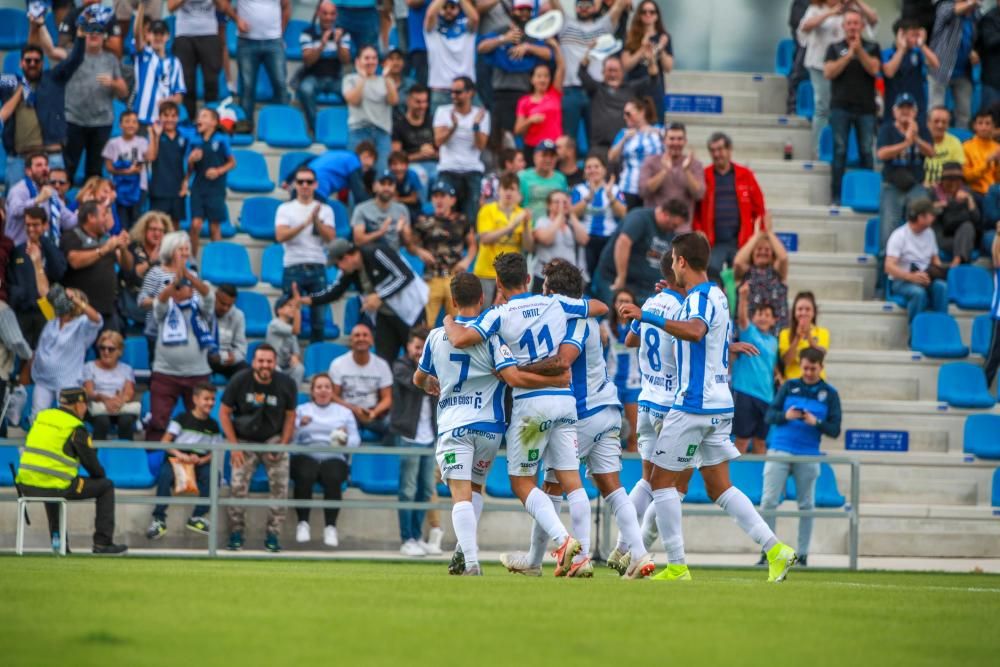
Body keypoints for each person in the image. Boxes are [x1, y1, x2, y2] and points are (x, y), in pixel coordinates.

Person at [620, 231, 798, 583]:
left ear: (682, 262)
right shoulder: (715, 293)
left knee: (659, 482)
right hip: (720, 404)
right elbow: (702, 334)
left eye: (673, 259)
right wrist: (670, 299)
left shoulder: (700, 300)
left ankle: (677, 564)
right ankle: (776, 550)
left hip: (693, 404)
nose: (671, 264)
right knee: (720, 487)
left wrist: (648, 315)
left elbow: (696, 332)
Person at [444, 252, 609, 577]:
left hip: (531, 406)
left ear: (500, 285)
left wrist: (448, 321)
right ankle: (582, 558)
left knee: (521, 482)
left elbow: (461, 338)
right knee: (571, 483)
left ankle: (564, 544)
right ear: (529, 279)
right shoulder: (555, 304)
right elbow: (601, 308)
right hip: (564, 400)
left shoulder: (499, 314)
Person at [501, 260, 654, 579]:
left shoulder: (571, 321)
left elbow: (563, 362)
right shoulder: (587, 317)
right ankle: (638, 555)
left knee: (554, 487)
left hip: (581, 414)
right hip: (607, 408)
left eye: (544, 290)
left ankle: (568, 557)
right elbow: (597, 307)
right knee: (612, 488)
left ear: (552, 292)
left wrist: (515, 371)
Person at [606, 253, 686, 576]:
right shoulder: (684, 310)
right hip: (671, 405)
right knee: (669, 486)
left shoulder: (651, 303)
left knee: (648, 480)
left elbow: (629, 338)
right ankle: (675, 560)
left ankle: (623, 546)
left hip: (646, 400)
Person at [15, 387, 127, 554]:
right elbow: (93, 468)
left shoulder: (42, 417)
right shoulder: (74, 426)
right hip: (55, 485)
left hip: (26, 484)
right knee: (105, 486)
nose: (86, 408)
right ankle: (103, 543)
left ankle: (58, 543)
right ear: (79, 404)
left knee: (50, 482)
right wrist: (99, 473)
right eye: (85, 404)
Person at [762, 347, 842, 568]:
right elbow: (770, 415)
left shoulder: (830, 394)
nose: (808, 373)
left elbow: (835, 430)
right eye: (805, 368)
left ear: (821, 367)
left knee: (806, 505)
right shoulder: (789, 386)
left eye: (813, 369)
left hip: (808, 453)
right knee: (768, 501)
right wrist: (785, 416)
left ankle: (803, 554)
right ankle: (767, 550)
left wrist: (815, 422)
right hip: (780, 448)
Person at [222, 344, 298, 552]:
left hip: (273, 438)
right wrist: (234, 446)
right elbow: (224, 413)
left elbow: (291, 416)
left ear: (275, 363)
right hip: (244, 440)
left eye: (269, 361)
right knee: (237, 486)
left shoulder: (287, 383)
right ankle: (236, 533)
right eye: (261, 361)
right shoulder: (240, 380)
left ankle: (273, 535)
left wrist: (283, 445)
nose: (265, 365)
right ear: (254, 362)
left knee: (280, 487)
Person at [305, 239, 428, 361]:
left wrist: (380, 296)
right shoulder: (351, 271)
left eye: (337, 265)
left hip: (411, 313)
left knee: (416, 357)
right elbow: (336, 290)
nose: (339, 269)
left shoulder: (376, 252)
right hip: (384, 316)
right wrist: (310, 300)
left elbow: (404, 275)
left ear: (346, 257)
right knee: (384, 360)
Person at [146, 259, 216, 442]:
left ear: (192, 289)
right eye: (174, 288)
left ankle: (196, 458)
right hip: (165, 373)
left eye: (183, 287)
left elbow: (208, 296)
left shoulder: (201, 308)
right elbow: (160, 300)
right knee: (158, 421)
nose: (178, 290)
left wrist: (190, 278)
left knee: (199, 419)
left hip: (197, 373)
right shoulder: (164, 308)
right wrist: (174, 285)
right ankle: (155, 462)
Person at [1, 40, 84, 188]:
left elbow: (75, 59)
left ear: (42, 63)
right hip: (19, 158)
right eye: (28, 60)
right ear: (21, 63)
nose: (32, 63)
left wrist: (81, 37)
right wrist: (20, 89)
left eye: (37, 61)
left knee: (53, 202)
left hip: (51, 156)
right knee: (14, 205)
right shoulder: (10, 82)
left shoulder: (52, 79)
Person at [291, 372, 360, 547]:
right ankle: (303, 523)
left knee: (333, 475)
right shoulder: (302, 410)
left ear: (332, 391)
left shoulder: (344, 412)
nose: (323, 391)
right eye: (319, 387)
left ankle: (330, 526)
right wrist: (300, 427)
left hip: (334, 455)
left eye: (327, 387)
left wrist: (344, 439)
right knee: (305, 473)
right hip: (306, 454)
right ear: (312, 391)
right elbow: (291, 440)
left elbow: (355, 441)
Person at [389, 327, 441, 557]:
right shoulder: (400, 365)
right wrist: (431, 376)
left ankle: (417, 536)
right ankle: (406, 538)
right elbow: (416, 383)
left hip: (429, 437)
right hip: (409, 437)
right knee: (407, 490)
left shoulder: (434, 367)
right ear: (409, 346)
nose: (420, 352)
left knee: (426, 489)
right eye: (417, 347)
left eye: (424, 348)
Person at [146, 382, 221, 539]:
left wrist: (201, 460)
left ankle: (197, 517)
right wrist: (180, 455)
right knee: (165, 475)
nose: (210, 403)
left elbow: (214, 452)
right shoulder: (181, 418)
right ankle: (159, 519)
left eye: (213, 399)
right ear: (195, 399)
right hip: (177, 460)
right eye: (206, 399)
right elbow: (165, 443)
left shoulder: (214, 426)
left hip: (198, 463)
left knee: (215, 476)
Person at [824, 8, 880, 204]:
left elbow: (874, 69)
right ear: (843, 26)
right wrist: (848, 55)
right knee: (839, 151)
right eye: (849, 23)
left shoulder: (872, 47)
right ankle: (836, 196)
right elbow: (828, 73)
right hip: (840, 107)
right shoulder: (834, 47)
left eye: (856, 23)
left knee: (866, 151)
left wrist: (859, 51)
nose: (853, 27)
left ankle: (868, 195)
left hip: (866, 109)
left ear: (862, 26)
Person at [476, 0, 553, 144]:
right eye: (520, 9)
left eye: (527, 10)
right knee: (501, 140)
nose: (524, 13)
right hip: (500, 94)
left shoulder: (533, 34)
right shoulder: (502, 29)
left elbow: (548, 54)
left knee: (522, 138)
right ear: (512, 11)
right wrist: (504, 39)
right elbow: (481, 47)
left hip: (524, 94)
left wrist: (528, 47)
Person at [553, 0, 630, 142]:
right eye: (580, 5)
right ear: (575, 7)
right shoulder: (565, 23)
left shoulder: (604, 26)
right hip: (571, 90)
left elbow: (619, 5)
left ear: (595, 7)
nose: (583, 9)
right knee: (568, 139)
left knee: (595, 137)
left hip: (596, 91)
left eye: (587, 5)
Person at [694, 132, 767, 280]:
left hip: (740, 242)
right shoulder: (704, 175)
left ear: (729, 150)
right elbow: (695, 210)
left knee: (741, 280)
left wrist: (759, 237)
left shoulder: (745, 175)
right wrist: (698, 231)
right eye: (712, 150)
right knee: (712, 278)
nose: (716, 154)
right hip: (713, 243)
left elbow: (759, 209)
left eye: (720, 149)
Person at [276, 166, 336, 343]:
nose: (304, 185)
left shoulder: (325, 209)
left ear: (315, 184)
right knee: (288, 318)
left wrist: (316, 221)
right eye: (300, 181)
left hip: (317, 266)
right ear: (294, 184)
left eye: (309, 181)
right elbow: (280, 236)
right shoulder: (285, 208)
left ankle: (316, 363)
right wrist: (305, 223)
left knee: (318, 321)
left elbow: (330, 238)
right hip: (292, 266)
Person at [63, 22, 128, 183]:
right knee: (67, 170)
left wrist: (113, 83)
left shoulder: (111, 59)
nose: (93, 35)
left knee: (95, 172)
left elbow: (124, 91)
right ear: (83, 34)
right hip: (73, 120)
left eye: (98, 32)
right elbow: (49, 51)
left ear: (103, 37)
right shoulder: (70, 55)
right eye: (89, 31)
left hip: (101, 123)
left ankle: (91, 207)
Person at [30, 287, 103, 422]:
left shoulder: (82, 324)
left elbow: (97, 319)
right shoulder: (52, 321)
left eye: (67, 299)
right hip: (43, 379)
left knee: (66, 418)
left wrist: (75, 299)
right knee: (37, 417)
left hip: (67, 381)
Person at [409, 180, 476, 324]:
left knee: (459, 322)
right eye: (435, 196)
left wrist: (467, 261)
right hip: (432, 276)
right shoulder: (424, 221)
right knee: (425, 324)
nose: (439, 200)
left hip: (454, 276)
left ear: (452, 200)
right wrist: (421, 252)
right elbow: (410, 245)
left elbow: (472, 245)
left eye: (443, 196)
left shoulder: (462, 220)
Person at [61, 201, 133, 333]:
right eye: (104, 214)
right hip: (80, 311)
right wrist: (103, 250)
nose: (107, 218)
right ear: (91, 217)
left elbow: (127, 266)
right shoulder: (71, 236)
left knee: (110, 349)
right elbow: (74, 261)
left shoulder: (107, 238)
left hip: (107, 310)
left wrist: (123, 249)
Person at [599, 200, 684, 305]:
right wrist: (621, 277)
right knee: (615, 315)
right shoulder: (639, 218)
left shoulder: (669, 232)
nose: (673, 228)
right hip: (614, 279)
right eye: (674, 225)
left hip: (645, 286)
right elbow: (623, 242)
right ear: (665, 214)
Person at [876, 93, 934, 248]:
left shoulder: (921, 129)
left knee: (924, 223)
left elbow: (931, 152)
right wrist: (905, 143)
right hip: (892, 186)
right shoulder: (887, 129)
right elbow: (881, 153)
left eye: (909, 108)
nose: (905, 112)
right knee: (888, 232)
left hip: (915, 185)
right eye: (902, 108)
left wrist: (915, 138)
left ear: (915, 112)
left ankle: (920, 263)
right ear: (894, 111)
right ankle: (885, 270)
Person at [798, 0, 854, 155]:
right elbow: (806, 26)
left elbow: (869, 23)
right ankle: (817, 149)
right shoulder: (815, 9)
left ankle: (837, 148)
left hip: (840, 64)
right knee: (822, 107)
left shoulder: (847, 11)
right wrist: (830, 13)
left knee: (838, 108)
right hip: (818, 64)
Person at [7, 207, 68, 349]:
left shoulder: (52, 248)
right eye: (28, 225)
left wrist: (44, 243)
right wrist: (19, 295)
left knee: (45, 352)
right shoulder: (18, 251)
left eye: (36, 225)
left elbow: (59, 273)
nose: (31, 229)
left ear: (45, 225)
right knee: (24, 355)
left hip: (47, 310)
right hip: (23, 312)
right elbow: (11, 279)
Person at [579, 53, 659, 159]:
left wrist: (652, 61)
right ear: (603, 72)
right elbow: (581, 72)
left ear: (622, 72)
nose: (612, 74)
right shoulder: (596, 89)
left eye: (615, 70)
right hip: (599, 147)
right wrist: (590, 51)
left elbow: (653, 79)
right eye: (609, 70)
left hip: (626, 144)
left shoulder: (631, 88)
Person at [433, 76, 490, 225]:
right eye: (451, 92)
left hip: (472, 170)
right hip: (448, 169)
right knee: (444, 218)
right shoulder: (443, 111)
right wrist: (453, 128)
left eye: (458, 92)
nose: (453, 96)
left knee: (470, 219)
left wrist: (476, 126)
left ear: (470, 93)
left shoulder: (482, 115)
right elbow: (438, 141)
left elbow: (481, 146)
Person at [885, 197, 949, 324]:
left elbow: (934, 258)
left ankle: (941, 327)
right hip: (902, 281)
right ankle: (916, 332)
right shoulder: (899, 235)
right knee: (918, 293)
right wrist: (910, 277)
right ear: (921, 217)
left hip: (925, 277)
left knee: (942, 287)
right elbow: (888, 266)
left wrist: (938, 272)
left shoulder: (930, 233)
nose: (934, 218)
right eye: (931, 215)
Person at [228, 0, 291, 127]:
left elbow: (286, 7)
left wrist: (280, 33)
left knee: (280, 85)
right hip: (246, 42)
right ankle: (245, 127)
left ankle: (282, 126)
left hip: (274, 42)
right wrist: (236, 19)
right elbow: (224, 3)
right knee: (247, 88)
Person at [733, 282, 779, 455]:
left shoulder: (775, 342)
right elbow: (742, 319)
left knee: (761, 444)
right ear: (753, 317)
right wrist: (743, 297)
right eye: (759, 314)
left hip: (767, 398)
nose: (763, 317)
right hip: (746, 393)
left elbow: (770, 366)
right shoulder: (749, 332)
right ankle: (734, 481)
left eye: (767, 315)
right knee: (742, 442)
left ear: (774, 320)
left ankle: (763, 482)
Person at [474, 172, 533, 306]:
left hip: (511, 276)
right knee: (484, 314)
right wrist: (512, 226)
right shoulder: (487, 210)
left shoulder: (522, 214)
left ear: (518, 192)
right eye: (505, 188)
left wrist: (525, 226)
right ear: (499, 190)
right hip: (486, 272)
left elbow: (528, 247)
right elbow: (485, 238)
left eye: (512, 189)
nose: (508, 192)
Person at [139, 231, 196, 362]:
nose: (185, 253)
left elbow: (198, 302)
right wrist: (164, 300)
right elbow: (141, 301)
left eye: (187, 249)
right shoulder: (156, 272)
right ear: (170, 251)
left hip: (186, 332)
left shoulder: (192, 275)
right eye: (180, 249)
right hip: (157, 332)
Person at [297, 1, 352, 134]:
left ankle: (348, 128)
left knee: (354, 92)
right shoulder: (307, 33)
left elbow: (346, 61)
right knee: (305, 89)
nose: (328, 17)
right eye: (325, 13)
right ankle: (316, 129)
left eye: (332, 14)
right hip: (314, 77)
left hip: (336, 79)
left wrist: (338, 43)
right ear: (318, 13)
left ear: (336, 15)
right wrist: (322, 44)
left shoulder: (343, 33)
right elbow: (308, 61)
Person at [328, 323, 393, 436]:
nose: (361, 338)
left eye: (365, 335)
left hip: (372, 413)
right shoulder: (338, 364)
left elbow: (387, 398)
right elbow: (333, 396)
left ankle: (387, 454)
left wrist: (374, 412)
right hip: (346, 412)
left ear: (371, 341)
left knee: (394, 425)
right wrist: (354, 410)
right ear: (350, 341)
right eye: (357, 335)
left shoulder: (381, 365)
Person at [343, 46, 398, 174]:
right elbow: (354, 100)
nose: (370, 61)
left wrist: (386, 79)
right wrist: (362, 79)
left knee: (382, 172)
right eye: (366, 58)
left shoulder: (386, 80)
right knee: (356, 174)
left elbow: (393, 101)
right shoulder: (350, 79)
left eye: (374, 58)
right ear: (358, 61)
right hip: (358, 132)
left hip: (382, 133)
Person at [187, 108, 235, 253]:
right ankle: (193, 261)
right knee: (195, 225)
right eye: (199, 116)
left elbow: (232, 162)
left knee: (215, 227)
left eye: (204, 116)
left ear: (214, 122)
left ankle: (217, 258)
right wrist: (191, 160)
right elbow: (189, 170)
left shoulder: (221, 140)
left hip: (216, 189)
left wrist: (218, 171)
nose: (199, 119)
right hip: (198, 187)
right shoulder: (194, 141)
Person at [638, 121, 704, 227]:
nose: (676, 143)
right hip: (654, 229)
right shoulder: (650, 161)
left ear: (685, 141)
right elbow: (643, 192)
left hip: (682, 229)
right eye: (672, 139)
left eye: (679, 139)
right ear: (664, 141)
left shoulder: (695, 164)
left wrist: (687, 171)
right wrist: (664, 171)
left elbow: (699, 194)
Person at [5, 153, 77, 248]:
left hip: (46, 247)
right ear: (28, 171)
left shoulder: (50, 192)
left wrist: (84, 207)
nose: (45, 169)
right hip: (20, 247)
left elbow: (68, 222)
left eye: (46, 165)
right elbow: (15, 210)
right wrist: (37, 200)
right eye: (39, 165)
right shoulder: (19, 190)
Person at [572, 154, 626, 277]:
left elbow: (623, 213)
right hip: (587, 240)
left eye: (596, 166)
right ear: (584, 171)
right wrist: (588, 198)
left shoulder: (615, 189)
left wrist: (610, 196)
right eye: (589, 167)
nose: (593, 170)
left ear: (604, 170)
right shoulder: (579, 189)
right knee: (586, 275)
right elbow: (572, 213)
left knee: (606, 275)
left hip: (609, 239)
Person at [928, 0, 979, 131]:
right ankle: (934, 146)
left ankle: (961, 145)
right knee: (936, 112)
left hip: (963, 72)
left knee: (964, 114)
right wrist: (971, 3)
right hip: (940, 69)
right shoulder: (945, 6)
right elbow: (952, 11)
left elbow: (975, 39)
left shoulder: (976, 15)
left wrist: (974, 52)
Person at [132, 7, 186, 128]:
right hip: (141, 119)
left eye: (161, 33)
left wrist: (168, 101)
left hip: (163, 122)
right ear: (148, 35)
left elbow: (179, 96)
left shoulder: (175, 63)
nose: (158, 37)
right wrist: (141, 6)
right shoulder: (144, 54)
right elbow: (136, 34)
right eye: (154, 33)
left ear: (168, 36)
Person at [733, 218, 790, 331]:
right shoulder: (745, 272)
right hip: (748, 333)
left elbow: (783, 258)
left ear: (772, 254)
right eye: (758, 249)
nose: (763, 252)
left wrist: (769, 233)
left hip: (775, 332)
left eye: (767, 250)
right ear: (752, 253)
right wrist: (756, 236)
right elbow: (738, 262)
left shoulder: (777, 272)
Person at [170, 0, 223, 121]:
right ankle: (188, 121)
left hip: (209, 32)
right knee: (187, 84)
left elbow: (222, 7)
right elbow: (171, 6)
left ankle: (211, 122)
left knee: (211, 83)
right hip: (184, 33)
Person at [602, 288, 640, 453]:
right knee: (609, 436)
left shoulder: (639, 325)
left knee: (634, 436)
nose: (623, 305)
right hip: (612, 385)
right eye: (620, 301)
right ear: (614, 304)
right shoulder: (604, 326)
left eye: (627, 301)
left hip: (633, 384)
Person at [83, 330, 139, 442]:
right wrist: (103, 398)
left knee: (126, 421)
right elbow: (89, 391)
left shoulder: (126, 369)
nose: (106, 352)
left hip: (120, 406)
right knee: (102, 421)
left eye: (111, 349)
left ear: (119, 351)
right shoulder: (89, 367)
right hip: (97, 406)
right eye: (102, 348)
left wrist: (120, 401)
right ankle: (95, 455)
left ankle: (126, 455)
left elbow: (129, 392)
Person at [608, 97, 663, 210]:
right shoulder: (624, 133)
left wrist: (653, 131)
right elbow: (611, 157)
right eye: (624, 114)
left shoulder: (659, 131)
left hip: (653, 186)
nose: (625, 117)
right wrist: (624, 139)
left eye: (628, 113)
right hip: (629, 187)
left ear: (641, 112)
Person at [882, 18, 939, 126]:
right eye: (914, 35)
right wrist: (901, 49)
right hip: (893, 105)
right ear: (901, 35)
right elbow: (889, 72)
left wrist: (922, 45)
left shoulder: (918, 52)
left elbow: (936, 64)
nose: (917, 39)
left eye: (918, 35)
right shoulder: (888, 53)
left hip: (917, 105)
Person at [621, 0, 673, 118]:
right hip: (634, 87)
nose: (648, 15)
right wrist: (641, 50)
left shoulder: (664, 37)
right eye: (644, 12)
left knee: (656, 123)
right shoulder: (630, 36)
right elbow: (625, 65)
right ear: (639, 15)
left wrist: (661, 48)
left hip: (654, 87)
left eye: (652, 12)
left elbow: (668, 67)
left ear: (657, 16)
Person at [102, 111, 153, 231]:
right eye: (127, 121)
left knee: (136, 220)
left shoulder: (142, 141)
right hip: (119, 188)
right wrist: (126, 172)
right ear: (120, 124)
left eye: (134, 122)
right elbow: (109, 167)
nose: (131, 125)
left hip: (139, 187)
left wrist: (153, 135)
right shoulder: (113, 143)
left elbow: (151, 157)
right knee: (121, 220)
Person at [424, 0, 479, 110]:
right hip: (440, 90)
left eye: (452, 7)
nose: (448, 10)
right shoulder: (433, 30)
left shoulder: (467, 27)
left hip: (466, 90)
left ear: (459, 9)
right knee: (439, 127)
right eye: (445, 7)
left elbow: (475, 18)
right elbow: (430, 15)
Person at [122, 212, 173, 329]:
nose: (157, 233)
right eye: (153, 229)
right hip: (134, 298)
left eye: (161, 230)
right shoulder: (134, 247)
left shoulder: (168, 252)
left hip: (160, 299)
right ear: (144, 230)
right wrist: (150, 262)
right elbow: (131, 276)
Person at [531, 191, 589, 292]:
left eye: (565, 202)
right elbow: (546, 239)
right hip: (545, 277)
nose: (562, 205)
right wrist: (560, 216)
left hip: (568, 279)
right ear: (549, 205)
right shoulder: (543, 221)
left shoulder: (572, 223)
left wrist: (571, 215)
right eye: (557, 202)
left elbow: (584, 240)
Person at [514, 49, 565, 161]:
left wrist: (555, 46)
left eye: (546, 76)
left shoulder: (554, 93)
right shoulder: (524, 101)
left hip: (553, 147)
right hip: (533, 148)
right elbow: (517, 130)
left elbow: (561, 67)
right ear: (532, 79)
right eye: (539, 76)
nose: (542, 80)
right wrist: (530, 120)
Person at [147, 101, 190, 228]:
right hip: (159, 189)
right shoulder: (155, 135)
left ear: (178, 117)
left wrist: (186, 183)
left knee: (175, 225)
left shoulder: (184, 137)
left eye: (173, 116)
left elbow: (189, 164)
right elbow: (151, 156)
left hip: (177, 189)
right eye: (166, 115)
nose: (169, 119)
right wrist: (156, 136)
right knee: (158, 225)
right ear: (159, 117)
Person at [931, 162, 979, 266]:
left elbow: (976, 220)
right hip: (943, 238)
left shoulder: (967, 193)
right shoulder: (934, 193)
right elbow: (926, 216)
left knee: (968, 227)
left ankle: (956, 262)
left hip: (964, 237)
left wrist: (969, 200)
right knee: (966, 227)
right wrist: (939, 206)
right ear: (943, 180)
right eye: (949, 179)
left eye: (956, 180)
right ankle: (957, 263)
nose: (953, 183)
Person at [351, 169, 411, 252]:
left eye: (390, 184)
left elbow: (408, 243)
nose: (386, 188)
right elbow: (358, 241)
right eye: (382, 184)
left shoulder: (402, 209)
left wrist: (400, 231)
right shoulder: (361, 209)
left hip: (395, 255)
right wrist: (380, 233)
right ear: (374, 187)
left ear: (395, 188)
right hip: (372, 256)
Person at [392, 84, 438, 191]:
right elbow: (396, 159)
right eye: (418, 102)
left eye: (425, 102)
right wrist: (420, 155)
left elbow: (444, 151)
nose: (422, 106)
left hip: (434, 163)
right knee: (421, 175)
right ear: (408, 101)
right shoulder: (399, 125)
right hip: (412, 165)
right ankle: (420, 206)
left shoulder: (433, 121)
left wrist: (432, 153)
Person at [780, 291, 830, 381]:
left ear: (813, 312)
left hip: (816, 384)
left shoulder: (823, 332)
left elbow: (821, 356)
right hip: (793, 383)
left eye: (807, 309)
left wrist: (809, 336)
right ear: (794, 312)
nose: (803, 313)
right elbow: (786, 362)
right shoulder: (785, 333)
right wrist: (797, 338)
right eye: (800, 309)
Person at [519, 139, 568, 222]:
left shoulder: (561, 178)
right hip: (528, 227)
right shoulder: (522, 177)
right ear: (535, 156)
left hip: (554, 226)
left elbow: (565, 206)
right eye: (544, 155)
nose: (548, 159)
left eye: (552, 156)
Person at [209, 283, 249, 379]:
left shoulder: (238, 316)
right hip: (204, 358)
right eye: (222, 303)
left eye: (229, 305)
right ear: (215, 296)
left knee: (246, 373)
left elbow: (241, 347)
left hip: (226, 360)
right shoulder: (205, 310)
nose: (225, 308)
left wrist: (234, 357)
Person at [266, 291, 305, 384]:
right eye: (289, 306)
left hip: (286, 366)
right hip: (273, 365)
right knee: (276, 370)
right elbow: (296, 330)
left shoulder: (290, 328)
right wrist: (298, 309)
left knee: (299, 368)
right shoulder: (274, 324)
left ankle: (292, 396)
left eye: (294, 306)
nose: (293, 309)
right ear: (279, 310)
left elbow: (296, 352)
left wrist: (295, 357)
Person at [962, 110, 1000, 200]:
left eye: (987, 124)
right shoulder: (966, 147)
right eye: (980, 123)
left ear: (993, 127)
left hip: (995, 192)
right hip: (975, 191)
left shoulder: (997, 148)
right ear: (975, 126)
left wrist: (998, 164)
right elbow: (966, 177)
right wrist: (986, 164)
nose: (984, 127)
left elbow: (998, 179)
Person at [924, 106, 965, 187]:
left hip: (947, 187)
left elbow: (958, 169)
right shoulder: (920, 141)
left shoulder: (955, 142)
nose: (940, 125)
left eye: (944, 122)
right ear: (928, 123)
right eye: (936, 121)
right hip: (922, 187)